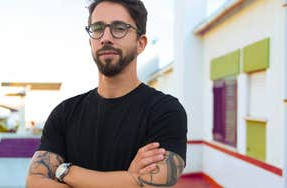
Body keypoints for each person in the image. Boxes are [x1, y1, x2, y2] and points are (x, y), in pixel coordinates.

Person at [26, 0, 187, 187]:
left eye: (119, 28)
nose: (106, 38)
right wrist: (126, 180)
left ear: (140, 43)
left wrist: (66, 171)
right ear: (90, 41)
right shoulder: (64, 113)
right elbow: (33, 181)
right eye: (97, 28)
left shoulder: (164, 111)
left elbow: (155, 184)